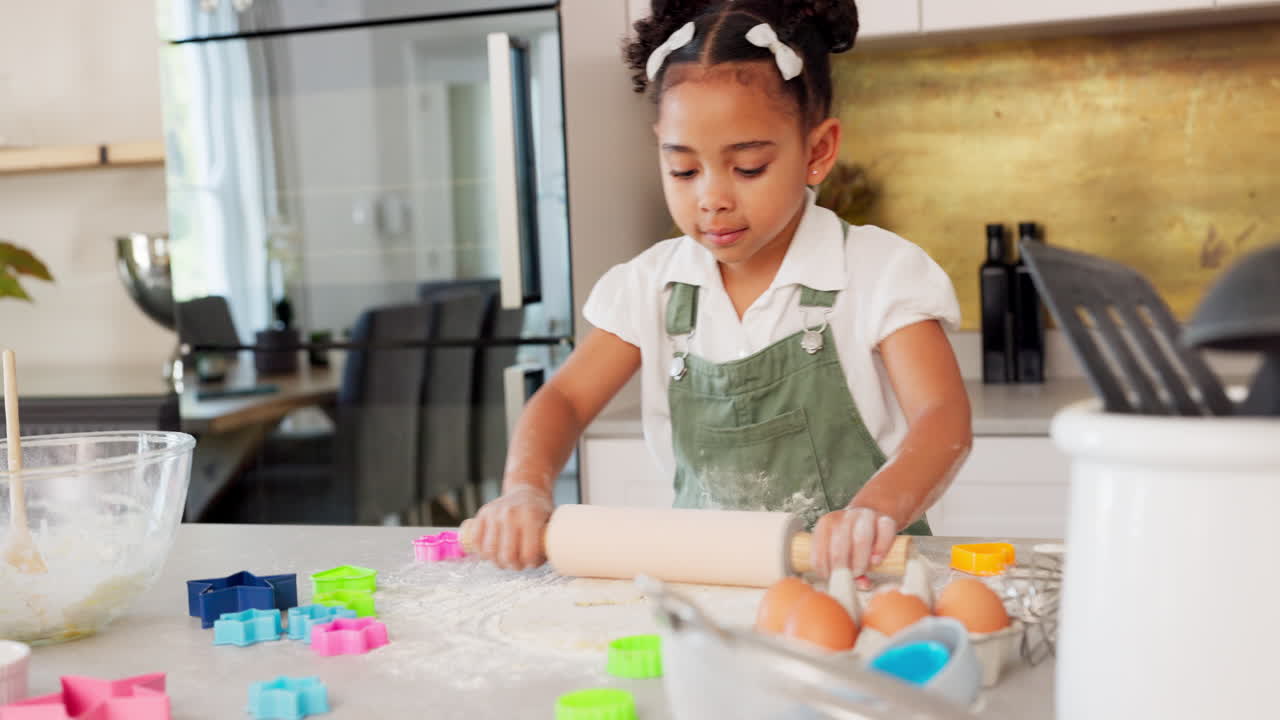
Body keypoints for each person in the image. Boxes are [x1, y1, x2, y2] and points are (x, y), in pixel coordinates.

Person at [470, 0, 971, 580]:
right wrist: (525, 487)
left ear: (817, 151)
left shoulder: (879, 272)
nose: (711, 198)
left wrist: (875, 510)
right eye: (683, 170)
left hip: (862, 588)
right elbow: (563, 400)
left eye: (748, 167)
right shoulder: (652, 285)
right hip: (711, 589)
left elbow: (942, 418)